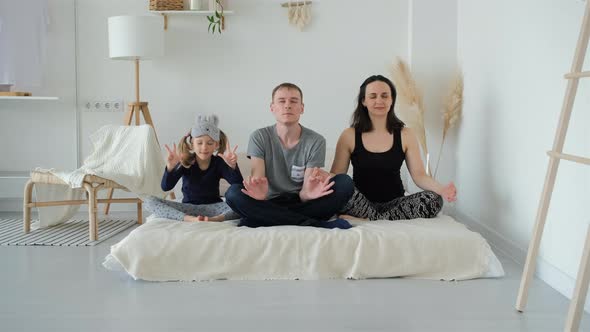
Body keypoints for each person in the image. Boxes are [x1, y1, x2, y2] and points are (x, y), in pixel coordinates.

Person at [224, 82, 355, 229]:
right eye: (281, 101)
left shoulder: (316, 140)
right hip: (268, 202)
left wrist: (309, 193)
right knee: (233, 193)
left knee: (345, 183)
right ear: (272, 108)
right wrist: (260, 194)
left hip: (303, 203)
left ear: (302, 108)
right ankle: (314, 223)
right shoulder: (259, 136)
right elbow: (259, 180)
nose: (287, 106)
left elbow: (305, 193)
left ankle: (263, 219)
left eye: (293, 101)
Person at [330, 75, 457, 221]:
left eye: (385, 96)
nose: (379, 101)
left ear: (392, 100)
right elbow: (338, 177)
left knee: (434, 199)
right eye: (373, 96)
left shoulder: (406, 134)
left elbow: (419, 175)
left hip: (395, 204)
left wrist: (442, 189)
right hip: (360, 203)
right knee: (339, 191)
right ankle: (380, 218)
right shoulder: (349, 135)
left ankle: (371, 218)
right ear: (364, 101)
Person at [144, 114, 243, 222]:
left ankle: (216, 219)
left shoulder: (219, 162)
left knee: (244, 204)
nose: (204, 147)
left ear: (216, 145)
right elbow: (166, 187)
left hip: (214, 207)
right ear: (192, 144)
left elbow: (238, 186)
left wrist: (233, 166)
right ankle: (189, 219)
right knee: (149, 201)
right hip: (188, 208)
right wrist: (170, 168)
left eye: (209, 143)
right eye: (199, 143)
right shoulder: (186, 161)